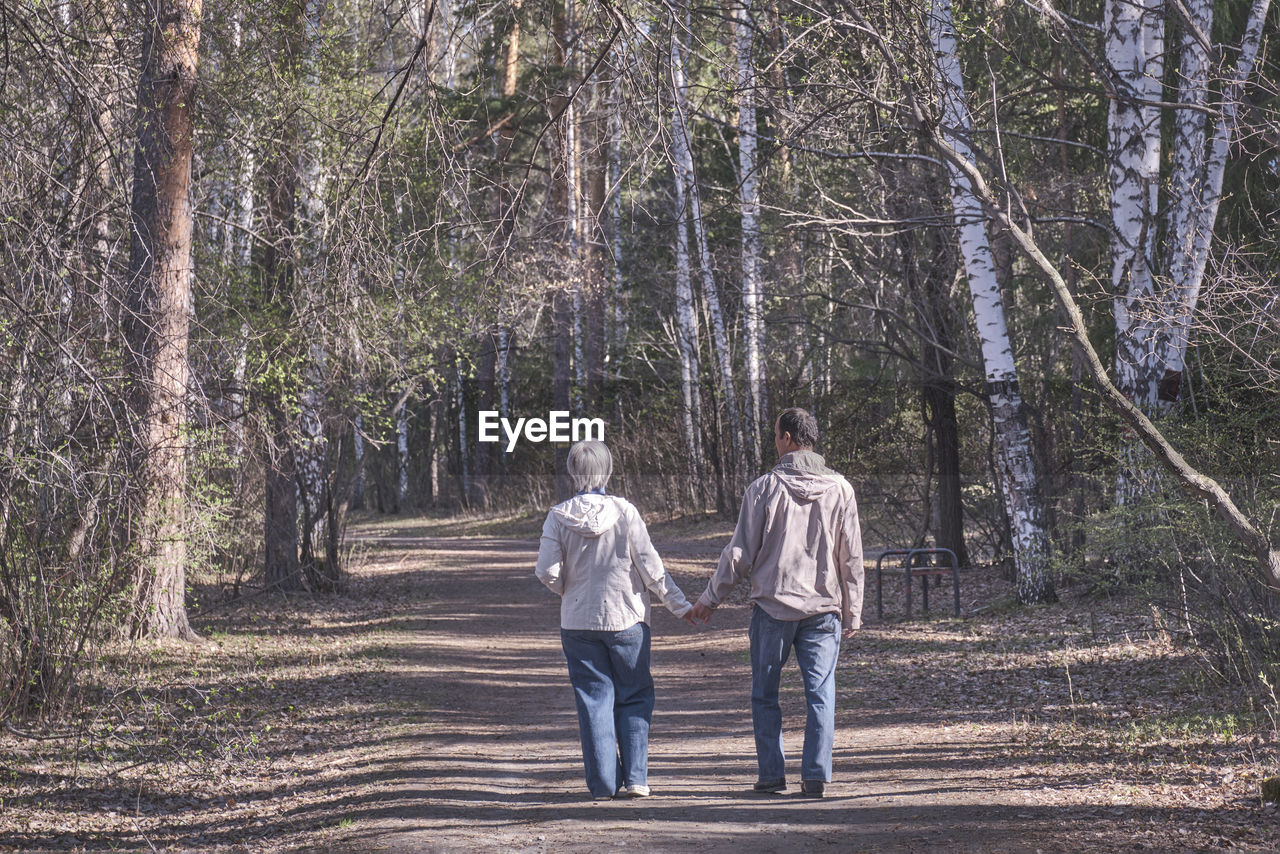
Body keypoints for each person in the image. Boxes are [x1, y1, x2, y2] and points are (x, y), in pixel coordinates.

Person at [689, 407, 864, 798]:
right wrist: (853, 610)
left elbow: (739, 554)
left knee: (765, 693)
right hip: (823, 610)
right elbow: (850, 556)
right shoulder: (842, 489)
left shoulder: (763, 488)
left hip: (772, 608)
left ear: (786, 438)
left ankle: (772, 774)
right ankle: (816, 775)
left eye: (775, 435)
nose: (774, 441)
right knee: (821, 693)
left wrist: (709, 599)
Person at [535, 439, 695, 800]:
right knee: (635, 695)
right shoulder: (625, 512)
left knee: (594, 701)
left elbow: (546, 571)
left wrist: (567, 588)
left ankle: (604, 784)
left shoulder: (558, 516)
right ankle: (637, 777)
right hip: (627, 620)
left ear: (573, 472)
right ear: (606, 471)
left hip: (577, 622)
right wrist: (681, 606)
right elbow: (651, 569)